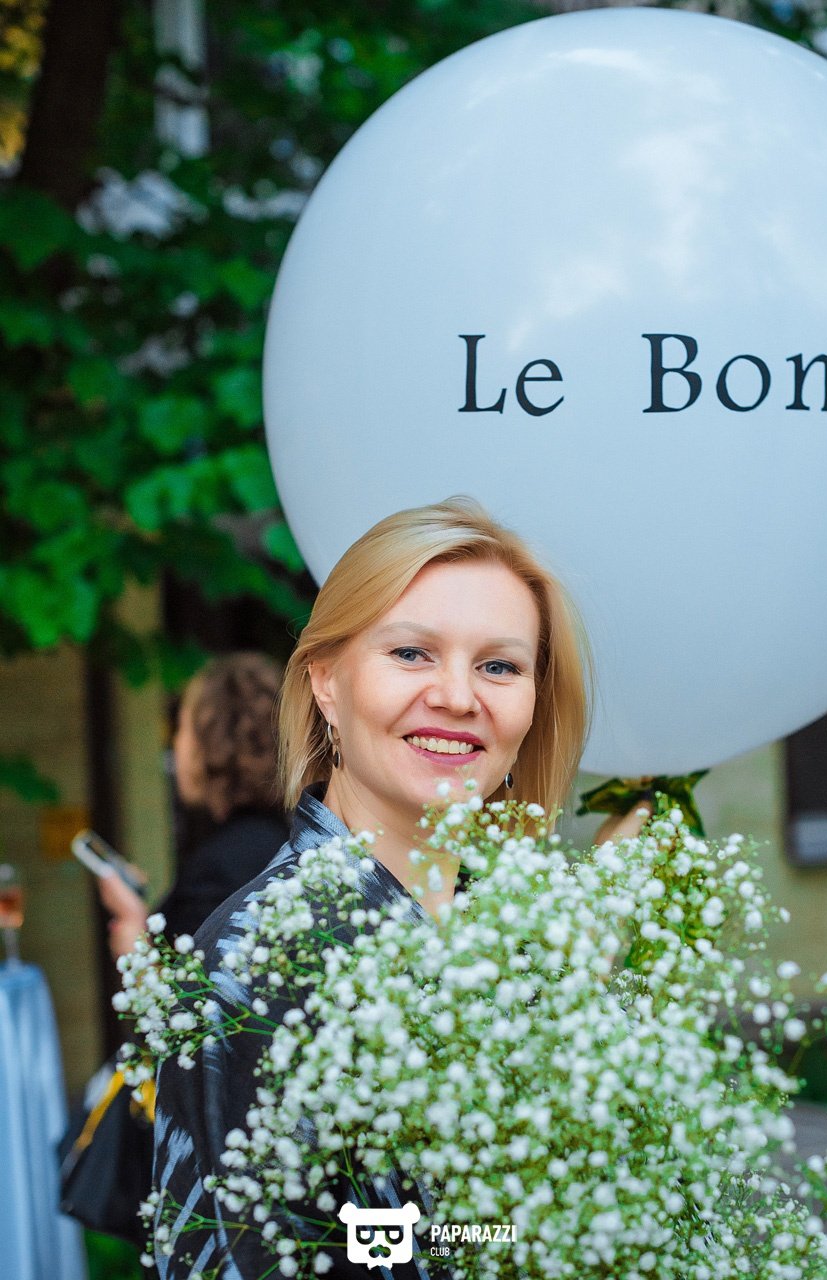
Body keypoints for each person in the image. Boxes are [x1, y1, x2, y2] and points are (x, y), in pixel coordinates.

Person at [152, 498, 650, 1279]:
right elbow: (304, 1250)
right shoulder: (260, 960)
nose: (457, 696)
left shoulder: (521, 936)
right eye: (412, 653)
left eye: (499, 666)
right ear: (326, 682)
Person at [98, 652, 291, 957]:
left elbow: (197, 984)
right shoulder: (290, 836)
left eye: (181, 728)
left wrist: (134, 942)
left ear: (212, 742)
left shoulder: (215, 871)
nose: (175, 744)